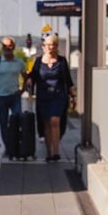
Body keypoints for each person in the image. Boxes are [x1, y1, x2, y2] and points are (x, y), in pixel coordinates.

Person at [32, 33, 73, 162]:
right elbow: (33, 77)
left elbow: (68, 79)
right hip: (43, 96)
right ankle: (49, 152)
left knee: (55, 121)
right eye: (48, 45)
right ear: (44, 46)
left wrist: (72, 95)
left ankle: (56, 151)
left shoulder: (61, 61)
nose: (50, 47)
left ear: (56, 46)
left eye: (53, 45)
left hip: (58, 95)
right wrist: (28, 84)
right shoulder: (38, 61)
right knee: (46, 123)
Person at [0, 37, 25, 156]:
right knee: (3, 122)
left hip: (15, 96)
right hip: (0, 96)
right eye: (5, 46)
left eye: (10, 46)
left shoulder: (19, 63)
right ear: (2, 48)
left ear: (13, 47)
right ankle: (8, 147)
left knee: (17, 120)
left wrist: (22, 89)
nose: (7, 49)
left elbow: (26, 76)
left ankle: (16, 144)